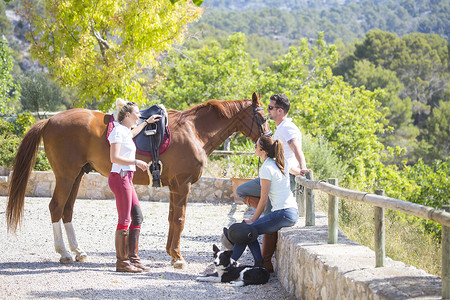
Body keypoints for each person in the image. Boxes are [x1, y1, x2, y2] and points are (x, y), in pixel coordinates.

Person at [235, 93, 311, 272]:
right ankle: (263, 260)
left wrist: (303, 168)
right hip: (281, 173)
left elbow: (295, 148)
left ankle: (265, 263)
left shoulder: (287, 128)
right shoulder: (280, 127)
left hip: (283, 176)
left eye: (270, 108)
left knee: (248, 199)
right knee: (249, 197)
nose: (267, 110)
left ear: (280, 110)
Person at [108, 98, 161, 273]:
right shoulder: (117, 132)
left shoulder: (125, 131)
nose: (139, 116)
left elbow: (131, 134)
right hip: (120, 177)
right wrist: (136, 161)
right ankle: (121, 262)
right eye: (138, 114)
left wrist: (146, 122)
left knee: (137, 217)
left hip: (126, 178)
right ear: (128, 115)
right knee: (124, 219)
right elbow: (114, 158)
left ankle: (133, 259)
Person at [229, 135, 299, 266]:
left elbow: (264, 199)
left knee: (246, 231)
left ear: (263, 151)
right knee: (250, 231)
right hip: (291, 212)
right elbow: (294, 170)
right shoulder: (281, 162)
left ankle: (227, 265)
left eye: (256, 146)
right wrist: (301, 172)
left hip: (282, 213)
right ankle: (259, 264)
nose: (254, 147)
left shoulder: (267, 168)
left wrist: (253, 219)